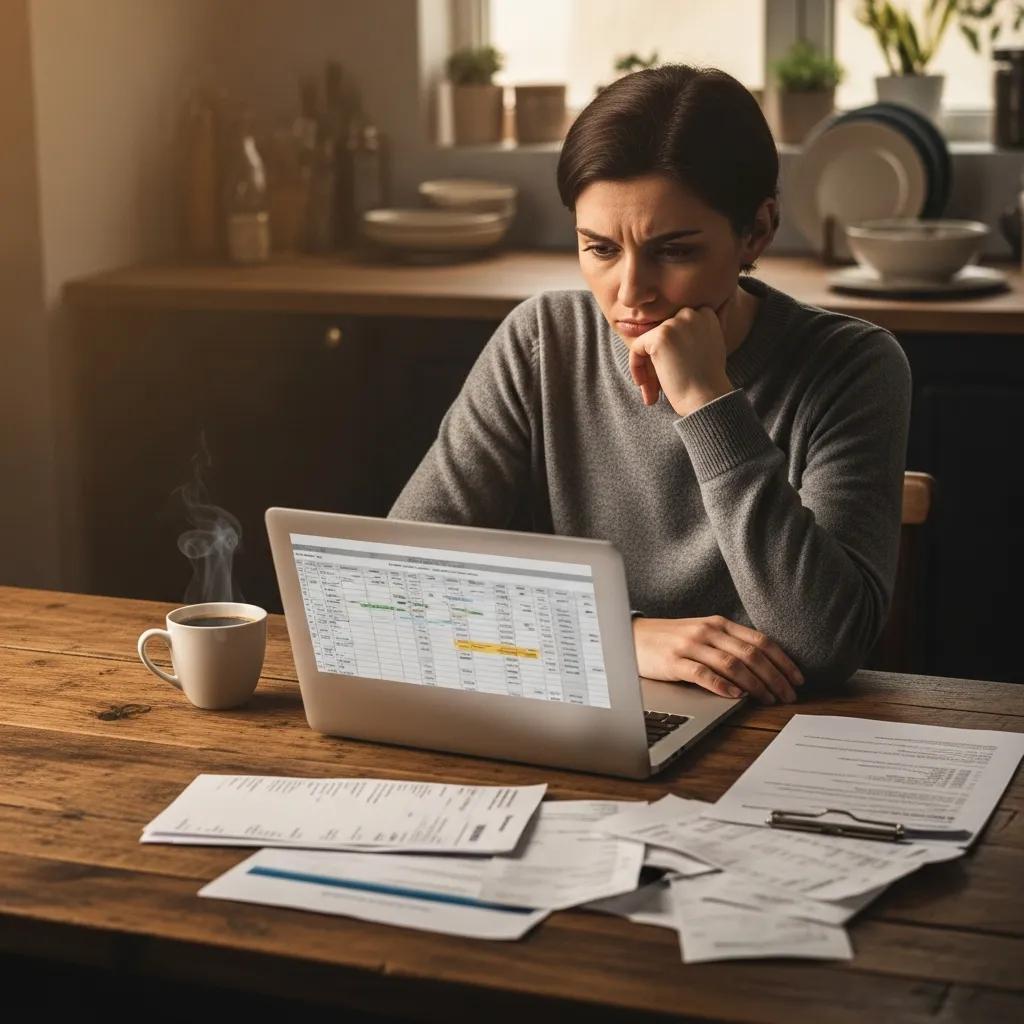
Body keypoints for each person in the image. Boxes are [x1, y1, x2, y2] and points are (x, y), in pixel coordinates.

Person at [390, 65, 911, 706]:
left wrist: (708, 401)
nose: (630, 294)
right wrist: (618, 637)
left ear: (758, 230)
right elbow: (403, 583)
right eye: (600, 249)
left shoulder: (853, 365)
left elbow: (825, 646)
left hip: (761, 732)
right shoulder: (542, 339)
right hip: (573, 706)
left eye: (676, 250)